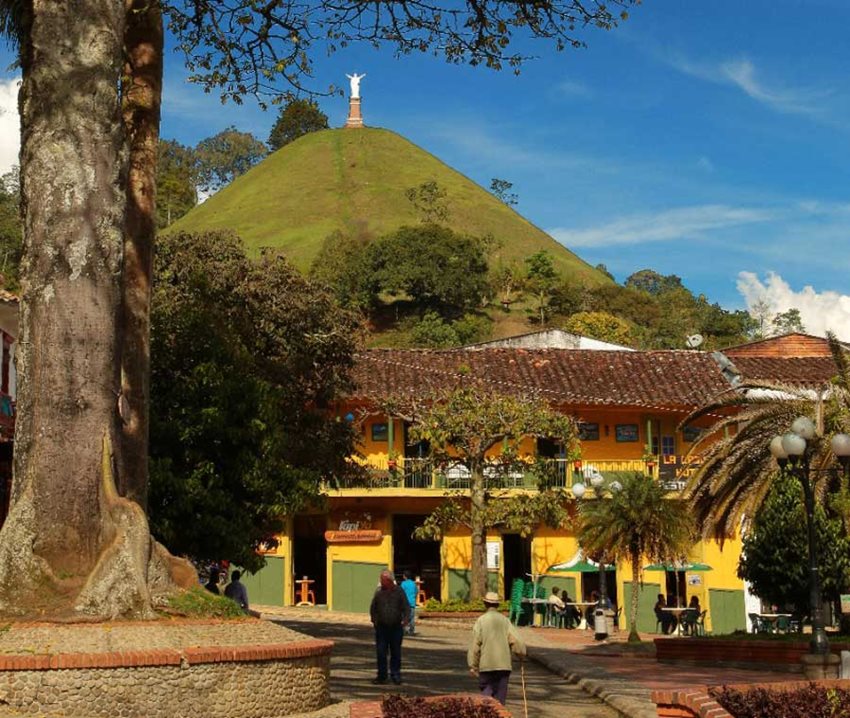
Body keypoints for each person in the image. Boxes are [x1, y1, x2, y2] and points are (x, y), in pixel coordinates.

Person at [468, 591, 526, 705]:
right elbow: (517, 641)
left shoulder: (481, 621)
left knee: (486, 696)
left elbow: (475, 645)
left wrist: (473, 665)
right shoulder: (505, 621)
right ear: (498, 605)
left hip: (486, 665)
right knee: (500, 699)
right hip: (503, 665)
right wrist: (521, 654)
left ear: (485, 604)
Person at [369, 569, 410, 685]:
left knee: (396, 652)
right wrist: (374, 620)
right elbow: (373, 607)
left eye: (382, 579)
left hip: (396, 628)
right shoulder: (379, 592)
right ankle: (381, 676)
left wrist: (405, 620)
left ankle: (395, 675)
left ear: (388, 580)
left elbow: (406, 608)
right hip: (381, 628)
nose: (380, 582)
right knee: (381, 653)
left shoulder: (399, 592)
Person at [400, 571, 418, 636]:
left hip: (405, 603)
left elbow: (400, 592)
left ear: (405, 576)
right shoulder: (414, 583)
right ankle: (411, 631)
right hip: (412, 603)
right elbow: (416, 592)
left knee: (404, 617)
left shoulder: (403, 583)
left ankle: (404, 630)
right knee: (412, 618)